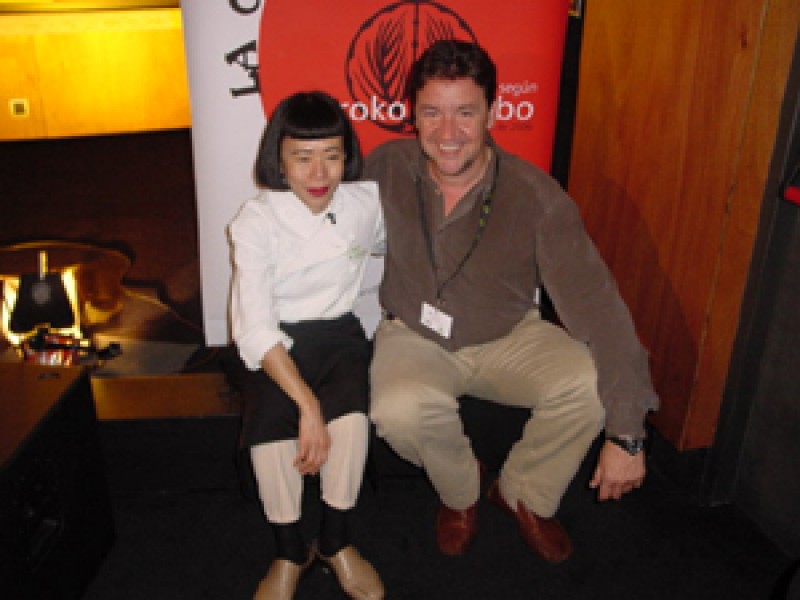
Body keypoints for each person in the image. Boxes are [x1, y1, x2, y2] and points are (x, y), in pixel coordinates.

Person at [364, 39, 659, 563]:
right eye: (432, 112)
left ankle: (523, 491)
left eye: (465, 113)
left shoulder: (536, 196)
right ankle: (462, 490)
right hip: (414, 334)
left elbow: (599, 308)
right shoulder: (386, 166)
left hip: (508, 333)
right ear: (413, 114)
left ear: (493, 113)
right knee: (397, 410)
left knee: (590, 384)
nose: (447, 132)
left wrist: (628, 435)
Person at [228, 91, 385, 600]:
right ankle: (290, 551)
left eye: (332, 156)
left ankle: (336, 543)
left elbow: (404, 241)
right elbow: (254, 327)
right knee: (272, 437)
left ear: (347, 157)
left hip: (338, 335)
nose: (319, 173)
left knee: (351, 424)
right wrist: (307, 406)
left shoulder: (365, 204)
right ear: (279, 160)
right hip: (276, 344)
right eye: (303, 157)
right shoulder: (255, 221)